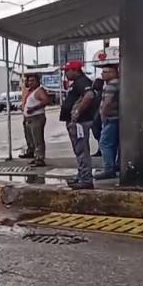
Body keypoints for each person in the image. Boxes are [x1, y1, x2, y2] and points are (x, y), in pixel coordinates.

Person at [60, 60, 97, 190]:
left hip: (80, 123)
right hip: (77, 122)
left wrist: (77, 112)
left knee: (82, 151)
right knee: (79, 150)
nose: (65, 73)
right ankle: (82, 175)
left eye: (67, 71)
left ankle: (86, 179)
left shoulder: (82, 81)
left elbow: (89, 95)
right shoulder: (77, 83)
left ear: (75, 70)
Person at [96, 62, 120, 180]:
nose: (102, 74)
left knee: (104, 143)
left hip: (110, 118)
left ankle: (108, 169)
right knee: (113, 144)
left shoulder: (110, 85)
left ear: (114, 73)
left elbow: (108, 102)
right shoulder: (120, 84)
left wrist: (103, 115)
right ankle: (114, 165)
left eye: (105, 72)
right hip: (117, 118)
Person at [23, 74, 50, 167]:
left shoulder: (39, 90)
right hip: (29, 118)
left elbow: (46, 100)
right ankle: (36, 157)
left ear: (38, 81)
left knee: (38, 139)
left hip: (36, 117)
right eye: (29, 81)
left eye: (33, 81)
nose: (30, 83)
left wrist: (34, 108)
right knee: (33, 140)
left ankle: (40, 158)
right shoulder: (31, 91)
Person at [19, 76, 35, 159]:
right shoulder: (26, 91)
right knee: (28, 135)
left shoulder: (35, 91)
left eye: (27, 81)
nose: (27, 82)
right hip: (26, 116)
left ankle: (35, 153)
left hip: (33, 116)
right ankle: (30, 150)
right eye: (25, 81)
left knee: (34, 136)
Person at [90, 78, 105, 157]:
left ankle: (101, 150)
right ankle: (100, 150)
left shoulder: (100, 94)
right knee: (98, 135)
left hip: (98, 118)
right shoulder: (97, 94)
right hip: (96, 118)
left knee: (99, 135)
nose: (94, 84)